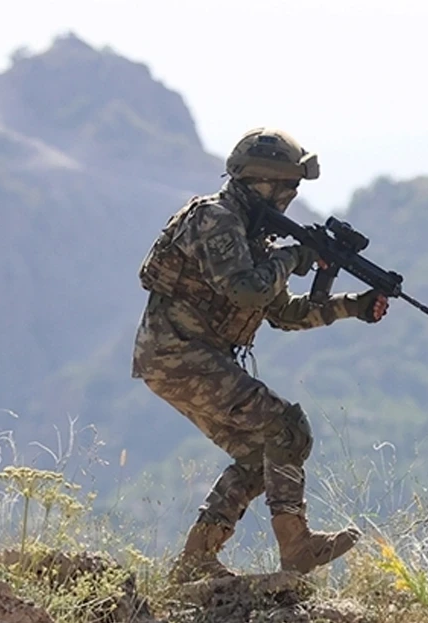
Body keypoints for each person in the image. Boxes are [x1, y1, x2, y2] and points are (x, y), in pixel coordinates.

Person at [131, 127, 388, 583]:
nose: (291, 197)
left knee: (260, 457)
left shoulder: (251, 237)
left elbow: (284, 313)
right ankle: (297, 547)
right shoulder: (216, 219)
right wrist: (295, 258)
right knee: (287, 428)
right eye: (288, 186)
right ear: (262, 183)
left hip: (185, 357)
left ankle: (196, 560)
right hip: (178, 354)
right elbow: (247, 291)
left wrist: (354, 306)